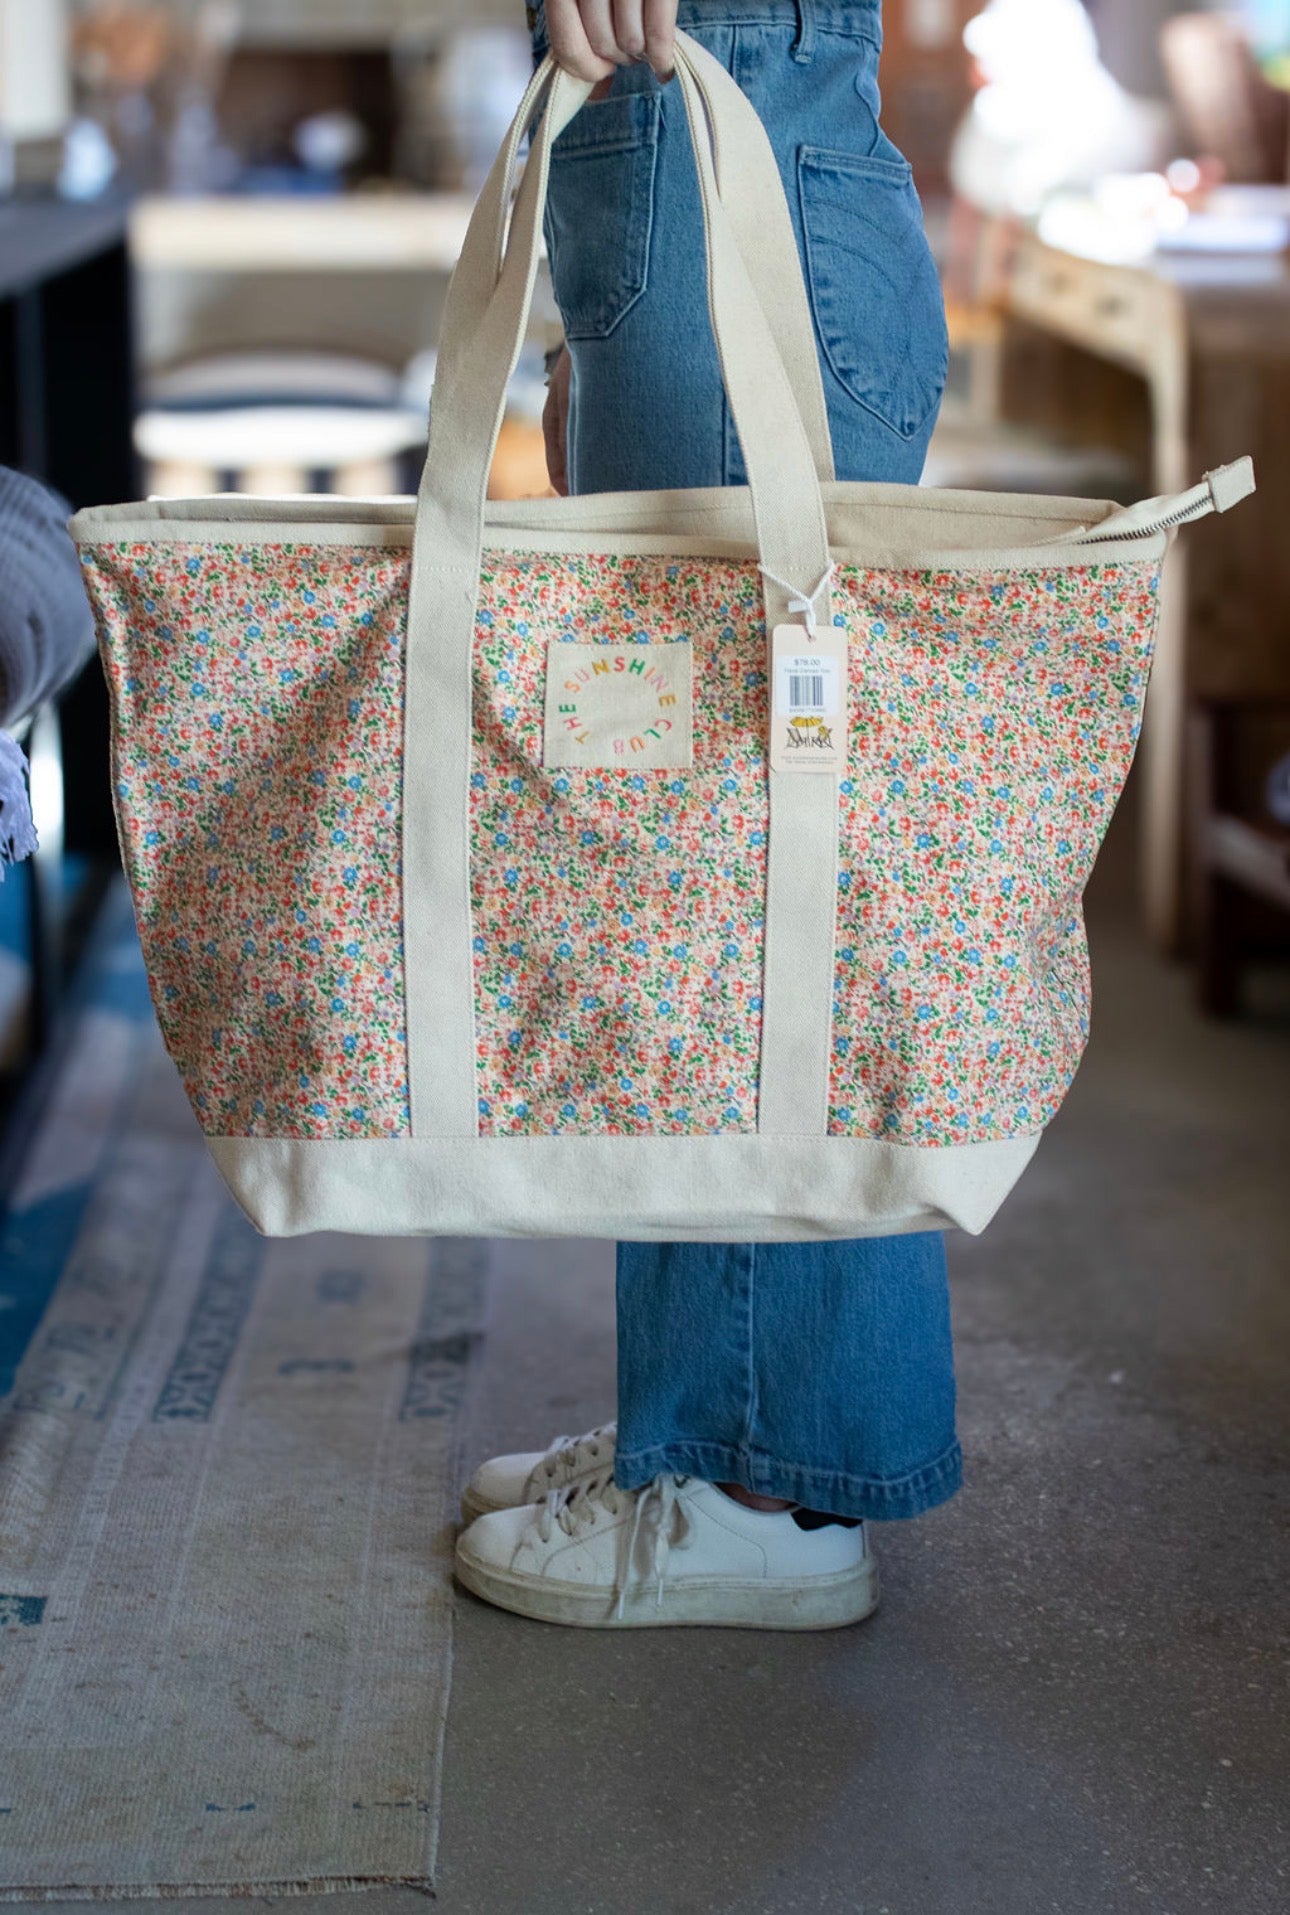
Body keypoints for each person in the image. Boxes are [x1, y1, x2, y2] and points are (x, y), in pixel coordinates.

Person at [454, 0, 955, 1628]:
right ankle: (712, 1422)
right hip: (715, 129)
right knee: (714, 874)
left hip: (723, 123)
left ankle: (757, 1481)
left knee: (732, 884)